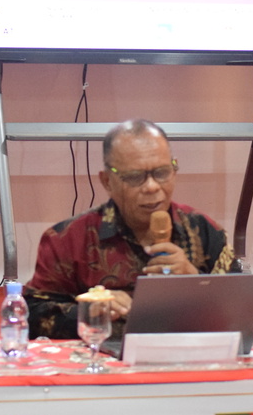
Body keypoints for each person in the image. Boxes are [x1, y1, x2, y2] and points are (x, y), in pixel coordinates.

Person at [25, 119, 234, 339]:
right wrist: (91, 311)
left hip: (189, 353)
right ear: (107, 181)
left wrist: (196, 280)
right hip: (104, 356)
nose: (152, 187)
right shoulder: (67, 239)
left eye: (162, 172)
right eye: (135, 177)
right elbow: (31, 315)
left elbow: (243, 307)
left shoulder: (203, 229)